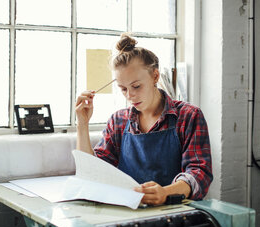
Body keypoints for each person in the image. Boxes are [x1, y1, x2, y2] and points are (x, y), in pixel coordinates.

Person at [75, 34, 213, 206]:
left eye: (136, 86)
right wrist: (82, 124)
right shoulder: (118, 120)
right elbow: (92, 173)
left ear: (155, 76)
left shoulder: (189, 116)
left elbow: (199, 174)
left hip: (174, 211)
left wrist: (165, 193)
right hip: (127, 212)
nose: (130, 95)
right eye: (123, 89)